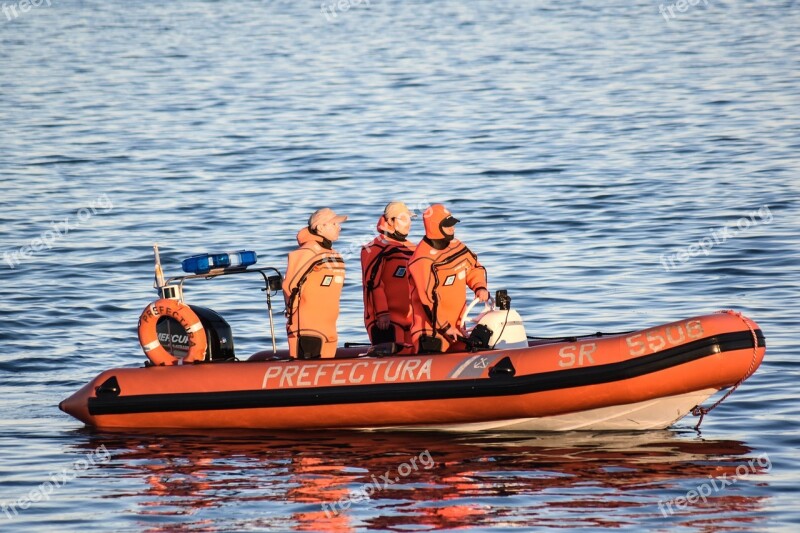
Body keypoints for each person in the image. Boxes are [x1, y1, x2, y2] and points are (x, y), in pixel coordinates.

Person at [408, 204, 489, 354]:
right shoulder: (422, 260)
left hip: (457, 329)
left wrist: (479, 286)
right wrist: (445, 327)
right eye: (447, 226)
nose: (453, 228)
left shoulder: (457, 246)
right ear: (434, 227)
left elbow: (474, 268)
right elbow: (428, 300)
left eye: (452, 224)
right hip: (432, 331)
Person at [283, 208, 347, 359]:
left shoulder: (333, 254)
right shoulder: (307, 253)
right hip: (308, 328)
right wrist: (294, 318)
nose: (339, 227)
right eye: (334, 223)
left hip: (330, 329)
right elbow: (290, 287)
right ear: (320, 227)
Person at [361, 202, 417, 346]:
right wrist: (382, 313)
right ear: (391, 221)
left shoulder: (412, 248)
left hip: (411, 321)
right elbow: (373, 283)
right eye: (403, 219)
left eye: (410, 219)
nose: (408, 224)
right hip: (386, 321)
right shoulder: (376, 248)